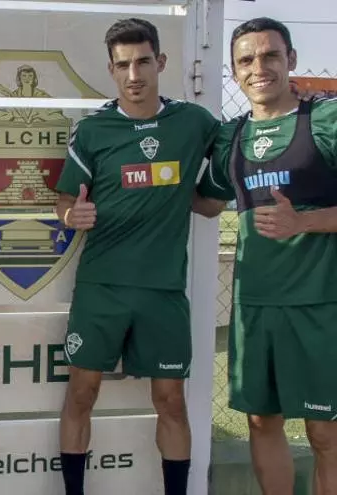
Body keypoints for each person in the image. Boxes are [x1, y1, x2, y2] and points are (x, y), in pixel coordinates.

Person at [53, 18, 231, 495]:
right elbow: (64, 201)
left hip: (163, 290)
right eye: (123, 65)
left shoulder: (193, 122)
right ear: (112, 70)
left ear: (161, 62)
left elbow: (224, 174)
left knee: (171, 401)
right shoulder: (93, 130)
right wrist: (72, 214)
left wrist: (208, 194)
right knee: (82, 393)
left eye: (143, 62)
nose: (134, 74)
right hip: (102, 287)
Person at [207, 17, 337, 495]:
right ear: (234, 71)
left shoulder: (325, 120)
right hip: (254, 306)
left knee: (324, 433)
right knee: (262, 421)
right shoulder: (230, 137)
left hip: (320, 304)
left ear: (291, 60)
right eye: (246, 60)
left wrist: (303, 221)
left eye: (269, 56)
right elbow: (206, 201)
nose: (258, 68)